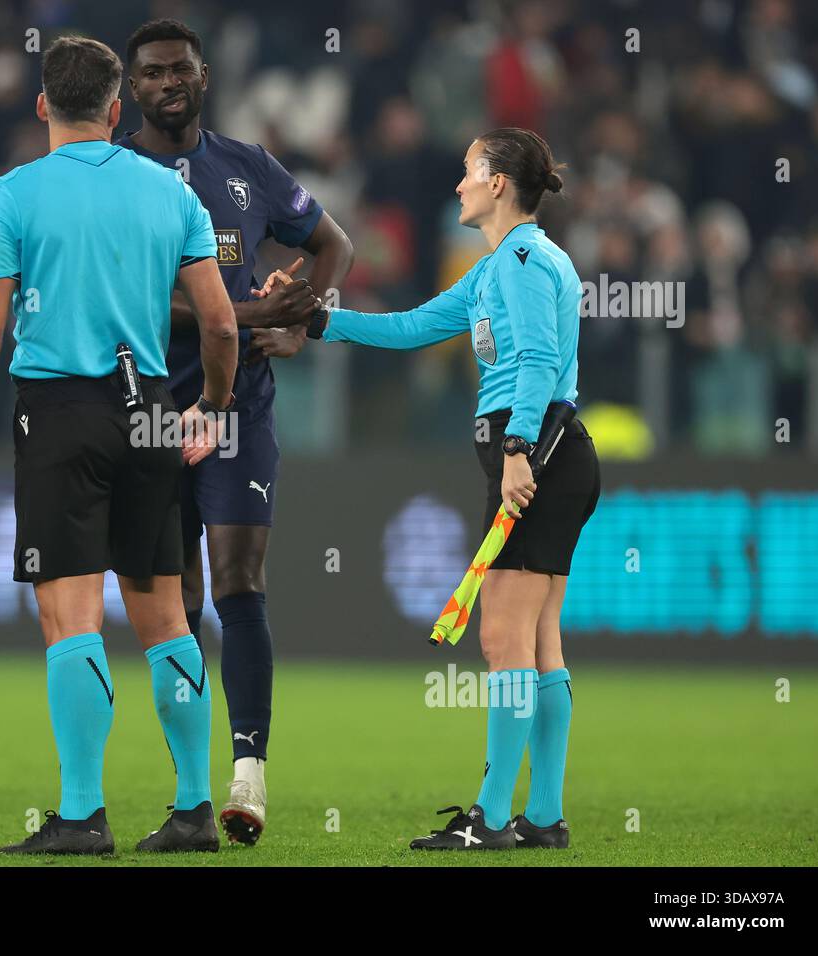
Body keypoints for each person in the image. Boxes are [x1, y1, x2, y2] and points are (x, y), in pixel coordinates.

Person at [0, 36, 238, 855]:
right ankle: (195, 809)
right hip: (151, 413)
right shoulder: (172, 194)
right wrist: (208, 407)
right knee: (166, 616)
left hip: (61, 414)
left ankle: (80, 815)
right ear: (116, 108)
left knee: (70, 616)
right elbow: (218, 321)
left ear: (42, 108)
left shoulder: (13, 195)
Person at [290, 128, 599, 850]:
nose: (457, 185)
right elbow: (412, 327)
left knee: (503, 638)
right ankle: (543, 816)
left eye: (468, 173)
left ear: (497, 185)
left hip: (538, 455)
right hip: (552, 456)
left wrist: (518, 449)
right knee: (539, 638)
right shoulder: (502, 265)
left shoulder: (520, 260)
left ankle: (491, 819)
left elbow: (536, 361)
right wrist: (318, 321)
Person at [118, 17, 355, 845]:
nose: (167, 82)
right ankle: (188, 797)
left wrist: (306, 322)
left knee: (239, 584)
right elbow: (144, 304)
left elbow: (332, 243)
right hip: (146, 411)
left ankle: (246, 776)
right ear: (131, 87)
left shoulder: (246, 166)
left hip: (239, 409)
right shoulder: (119, 173)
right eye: (151, 73)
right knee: (173, 600)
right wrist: (253, 312)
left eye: (180, 68)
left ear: (204, 75)